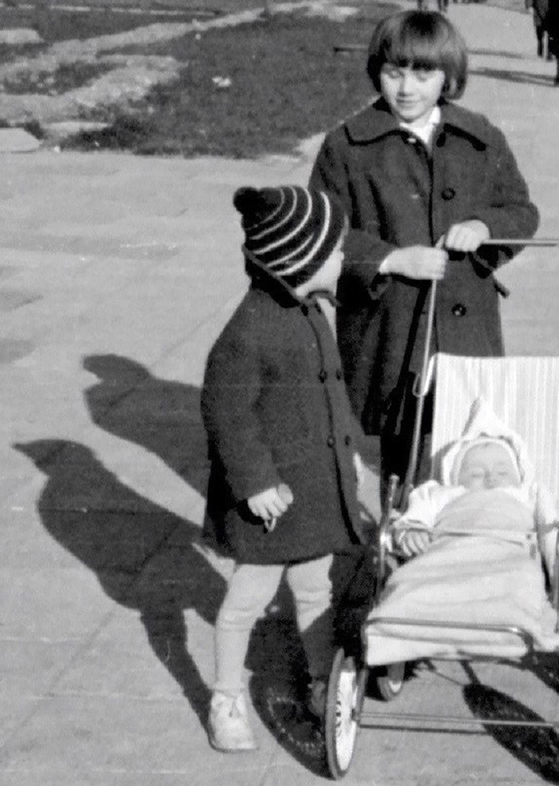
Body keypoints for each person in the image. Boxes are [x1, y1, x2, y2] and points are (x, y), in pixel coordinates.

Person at [308, 9, 540, 503]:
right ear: (377, 72)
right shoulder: (346, 147)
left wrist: (485, 227)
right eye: (394, 73)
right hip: (390, 327)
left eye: (423, 75)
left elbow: (520, 211)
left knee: (470, 443)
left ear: (448, 77)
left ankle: (460, 535)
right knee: (403, 450)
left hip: (466, 324)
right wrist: (390, 260)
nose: (407, 88)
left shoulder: (480, 138)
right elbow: (323, 233)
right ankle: (399, 534)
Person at [200, 185, 368, 752]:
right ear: (301, 260)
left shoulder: (312, 312)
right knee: (246, 599)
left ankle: (322, 681)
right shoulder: (249, 331)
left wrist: (348, 455)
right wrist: (253, 481)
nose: (343, 258)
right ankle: (226, 697)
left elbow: (332, 396)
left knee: (315, 587)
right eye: (335, 251)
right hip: (270, 504)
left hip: (312, 491)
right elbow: (226, 410)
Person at [386, 400, 559, 591]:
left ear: (520, 476)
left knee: (517, 592)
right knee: (418, 589)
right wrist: (413, 529)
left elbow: (552, 526)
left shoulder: (528, 494)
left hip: (509, 564)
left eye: (503, 472)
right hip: (450, 561)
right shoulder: (443, 494)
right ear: (454, 479)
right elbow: (420, 507)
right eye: (476, 474)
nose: (491, 478)